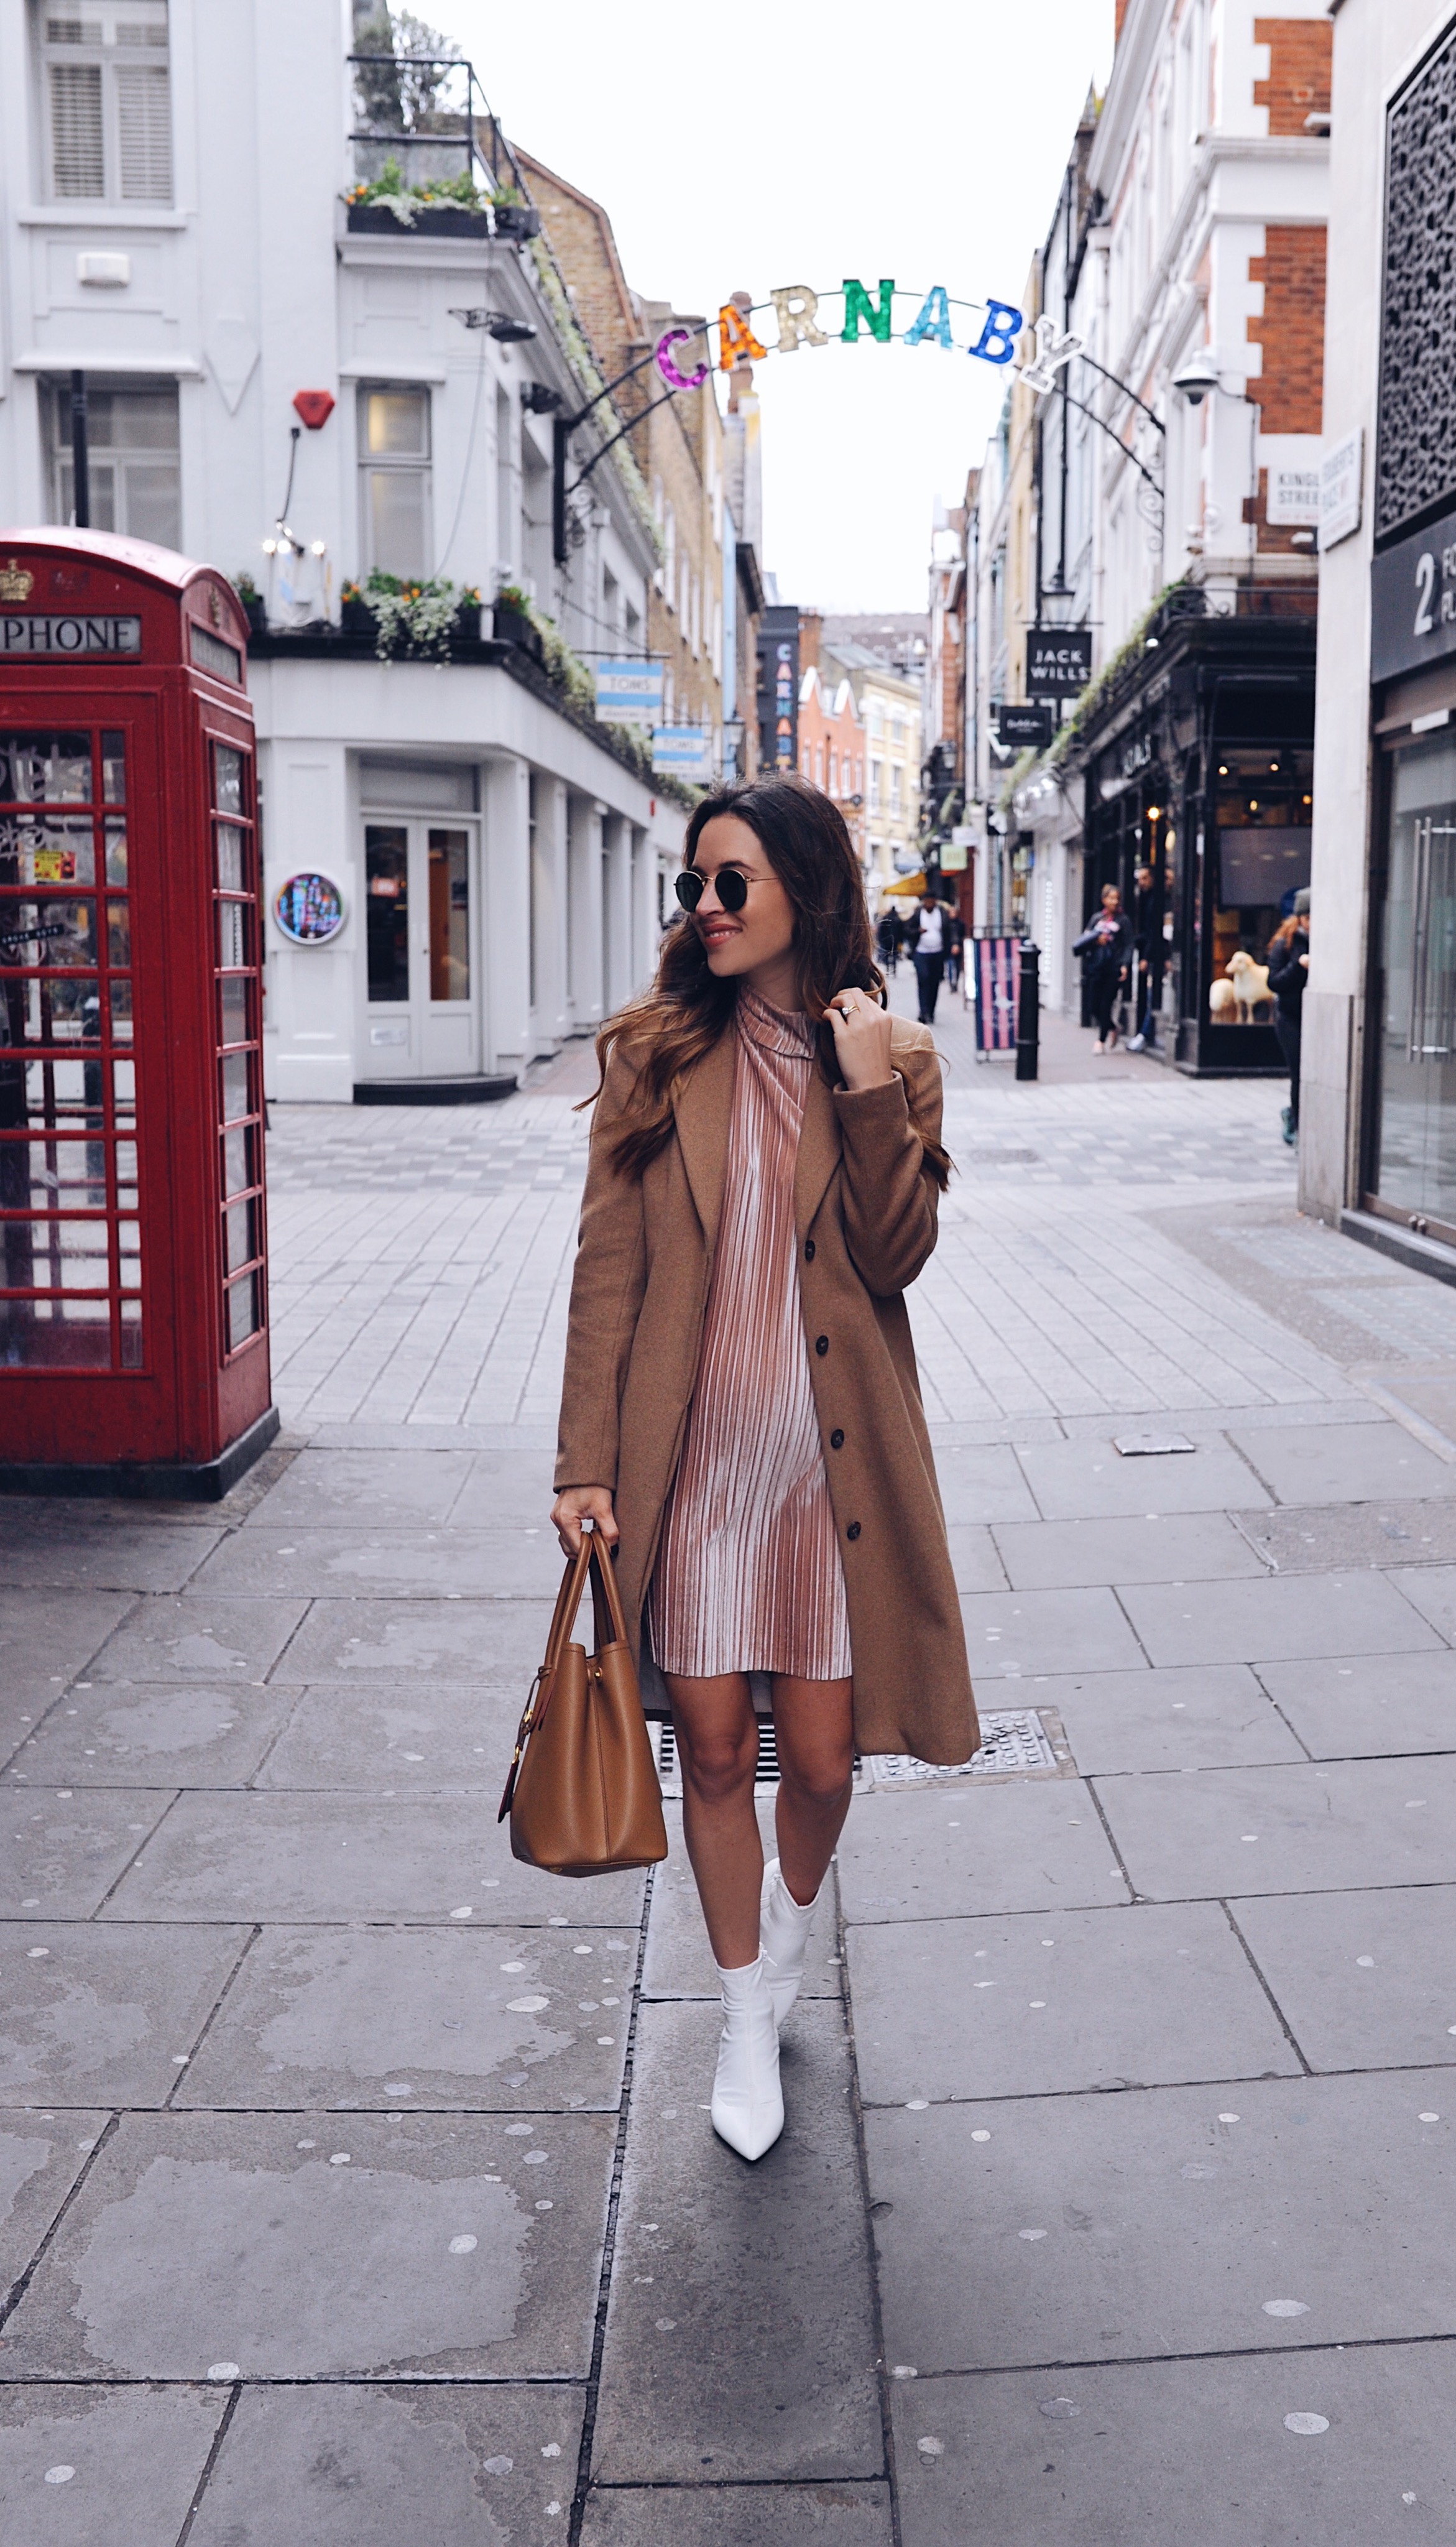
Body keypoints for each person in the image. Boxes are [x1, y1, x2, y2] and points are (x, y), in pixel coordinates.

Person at [550, 778, 977, 2164]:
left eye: (733, 882)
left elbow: (897, 1252)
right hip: (699, 1466)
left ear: (805, 887)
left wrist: (860, 1093)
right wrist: (583, 1465)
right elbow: (605, 1271)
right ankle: (743, 2011)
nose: (708, 908)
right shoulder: (655, 1057)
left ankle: (783, 1940)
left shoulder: (893, 1057)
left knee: (833, 1759)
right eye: (695, 885)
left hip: (830, 1467)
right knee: (720, 1745)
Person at [1266, 886, 1309, 1145]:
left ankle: (1294, 1114)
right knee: (1298, 1070)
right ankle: (1295, 1123)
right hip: (1289, 1017)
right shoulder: (1285, 944)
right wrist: (1298, 965)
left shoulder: (1325, 942)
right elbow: (1275, 982)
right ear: (1302, 918)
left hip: (1315, 1016)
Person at [1072, 884, 1129, 1051]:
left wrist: (1125, 964)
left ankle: (1101, 1041)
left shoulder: (1123, 921)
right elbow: (1086, 938)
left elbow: (1128, 944)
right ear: (1104, 900)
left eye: (1117, 898)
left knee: (1106, 1005)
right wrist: (1096, 941)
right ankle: (1113, 1027)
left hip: (1113, 969)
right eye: (1111, 898)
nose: (1114, 902)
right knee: (1094, 1007)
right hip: (1096, 968)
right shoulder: (1097, 919)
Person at [1128, 862, 1163, 1051]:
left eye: (1145, 878)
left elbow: (1155, 932)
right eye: (1139, 879)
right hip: (1152, 953)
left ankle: (1146, 1033)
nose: (1141, 883)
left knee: (1153, 995)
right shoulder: (1146, 899)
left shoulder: (1156, 901)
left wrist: (1146, 957)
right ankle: (1145, 1032)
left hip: (1158, 956)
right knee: (1151, 995)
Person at [910, 889, 946, 1025]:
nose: (930, 904)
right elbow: (908, 929)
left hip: (938, 953)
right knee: (923, 980)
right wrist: (918, 931)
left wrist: (953, 944)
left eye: (932, 901)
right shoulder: (918, 913)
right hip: (921, 953)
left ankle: (931, 1012)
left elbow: (949, 929)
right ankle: (923, 1011)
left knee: (934, 983)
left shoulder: (942, 913)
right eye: (927, 901)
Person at [875, 905, 903, 974]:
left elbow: (881, 930)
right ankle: (894, 970)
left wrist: (881, 939)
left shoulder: (886, 918)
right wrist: (900, 940)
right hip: (895, 941)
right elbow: (901, 931)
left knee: (887, 956)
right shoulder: (898, 919)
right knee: (894, 955)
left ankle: (888, 969)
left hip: (886, 940)